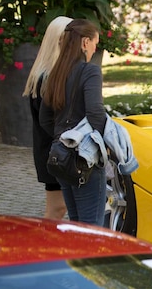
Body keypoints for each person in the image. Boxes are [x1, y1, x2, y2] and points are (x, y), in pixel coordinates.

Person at [39, 19, 107, 226]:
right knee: (91, 227)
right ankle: (86, 260)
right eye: (95, 42)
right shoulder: (90, 71)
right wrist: (106, 146)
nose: (96, 48)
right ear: (85, 42)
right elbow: (95, 112)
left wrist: (64, 138)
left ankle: (73, 258)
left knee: (76, 225)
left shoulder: (55, 73)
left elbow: (44, 118)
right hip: (85, 158)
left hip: (61, 157)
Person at [23, 15, 72, 220]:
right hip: (55, 152)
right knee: (57, 209)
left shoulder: (45, 74)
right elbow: (50, 120)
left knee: (59, 209)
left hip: (51, 151)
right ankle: (44, 247)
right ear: (61, 40)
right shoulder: (49, 77)